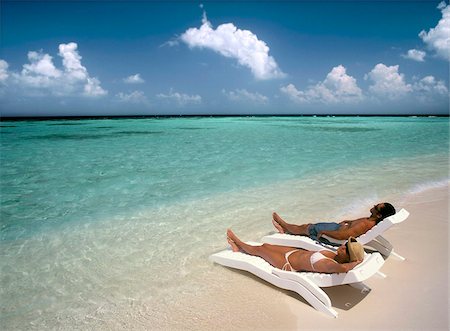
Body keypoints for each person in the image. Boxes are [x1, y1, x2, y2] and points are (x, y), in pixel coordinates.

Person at [226, 229, 364, 273]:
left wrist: (357, 262)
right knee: (266, 245)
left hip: (287, 264)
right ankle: (240, 246)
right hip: (293, 253)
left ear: (348, 257)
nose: (342, 246)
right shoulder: (334, 256)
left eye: (346, 249)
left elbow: (344, 269)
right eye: (345, 245)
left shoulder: (331, 265)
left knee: (260, 249)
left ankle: (239, 245)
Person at [271, 203, 396, 242]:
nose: (373, 206)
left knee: (306, 228)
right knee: (307, 227)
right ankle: (287, 230)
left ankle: (285, 226)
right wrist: (349, 221)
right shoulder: (371, 220)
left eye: (376, 207)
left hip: (334, 234)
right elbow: (356, 225)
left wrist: (324, 232)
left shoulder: (365, 225)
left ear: (378, 215)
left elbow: (344, 236)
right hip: (337, 228)